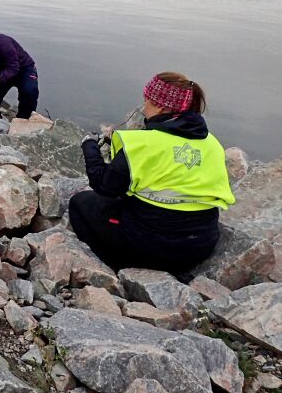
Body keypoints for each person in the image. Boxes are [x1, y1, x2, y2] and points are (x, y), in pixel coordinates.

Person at [69, 72, 234, 274]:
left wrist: (89, 146)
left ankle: (116, 265)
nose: (143, 104)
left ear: (162, 107)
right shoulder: (212, 144)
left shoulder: (143, 144)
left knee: (79, 203)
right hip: (199, 246)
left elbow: (104, 184)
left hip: (150, 247)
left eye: (147, 99)